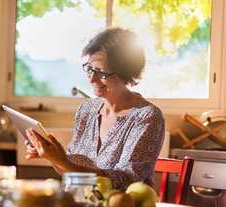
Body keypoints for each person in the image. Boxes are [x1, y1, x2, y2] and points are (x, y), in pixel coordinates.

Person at [25, 27, 165, 191]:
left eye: (100, 72)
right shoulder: (87, 110)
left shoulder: (147, 117)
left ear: (125, 73)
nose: (91, 78)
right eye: (90, 69)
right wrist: (52, 156)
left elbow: (126, 181)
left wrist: (63, 161)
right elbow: (71, 170)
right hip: (85, 204)